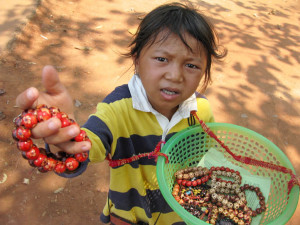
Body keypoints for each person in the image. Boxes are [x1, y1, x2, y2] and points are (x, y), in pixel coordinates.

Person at [15, 2, 226, 224]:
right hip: (128, 215)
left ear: (204, 71)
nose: (175, 75)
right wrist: (65, 138)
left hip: (180, 216)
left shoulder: (200, 111)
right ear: (137, 60)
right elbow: (89, 144)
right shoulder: (117, 109)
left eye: (191, 65)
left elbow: (205, 160)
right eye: (162, 59)